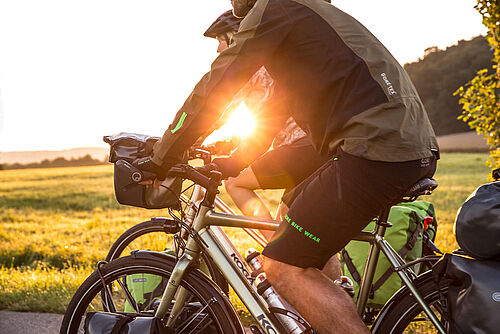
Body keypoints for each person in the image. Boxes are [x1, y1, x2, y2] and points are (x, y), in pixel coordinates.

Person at [134, 0, 439, 333]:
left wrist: (162, 157)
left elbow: (217, 85)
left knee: (280, 264)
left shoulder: (276, 7)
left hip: (374, 148)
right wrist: (231, 164)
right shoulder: (306, 15)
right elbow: (273, 113)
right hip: (401, 145)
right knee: (295, 215)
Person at [203, 10, 328, 241]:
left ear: (234, 36)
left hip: (300, 148)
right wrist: (229, 143)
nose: (218, 49)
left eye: (220, 40)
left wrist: (188, 143)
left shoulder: (246, 70)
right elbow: (264, 119)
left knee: (234, 182)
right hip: (317, 146)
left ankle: (273, 251)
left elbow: (215, 113)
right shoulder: (270, 65)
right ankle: (324, 275)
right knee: (295, 227)